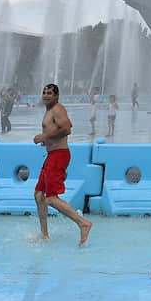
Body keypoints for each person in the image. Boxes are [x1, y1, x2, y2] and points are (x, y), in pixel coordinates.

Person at [33, 83, 92, 245]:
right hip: (52, 155)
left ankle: (83, 223)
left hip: (59, 156)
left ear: (56, 96)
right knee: (39, 195)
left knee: (51, 198)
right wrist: (48, 140)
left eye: (50, 93)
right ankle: (44, 235)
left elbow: (67, 129)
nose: (46, 95)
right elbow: (64, 127)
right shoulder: (51, 111)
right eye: (44, 92)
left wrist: (44, 137)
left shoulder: (58, 109)